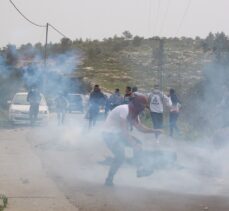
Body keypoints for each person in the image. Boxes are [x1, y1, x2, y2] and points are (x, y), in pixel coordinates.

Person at [102, 92, 161, 186]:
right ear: (137, 104)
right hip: (109, 134)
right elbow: (124, 131)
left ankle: (139, 169)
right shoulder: (124, 110)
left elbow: (140, 128)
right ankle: (109, 179)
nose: (142, 109)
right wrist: (132, 143)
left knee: (138, 144)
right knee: (120, 156)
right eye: (142, 106)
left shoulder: (134, 114)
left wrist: (154, 131)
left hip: (118, 134)